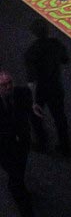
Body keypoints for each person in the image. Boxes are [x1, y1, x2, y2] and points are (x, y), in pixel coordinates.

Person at [24, 20, 70, 157]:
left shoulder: (31, 52)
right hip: (56, 86)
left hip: (41, 89)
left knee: (35, 115)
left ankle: (42, 142)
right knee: (59, 116)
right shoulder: (56, 44)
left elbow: (31, 79)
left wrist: (32, 100)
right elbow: (65, 60)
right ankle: (65, 146)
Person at [0, 70, 37, 216]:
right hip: (4, 147)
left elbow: (30, 107)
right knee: (15, 175)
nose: (8, 87)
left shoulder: (22, 93)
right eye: (3, 85)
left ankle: (18, 186)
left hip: (22, 142)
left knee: (19, 170)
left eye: (9, 83)